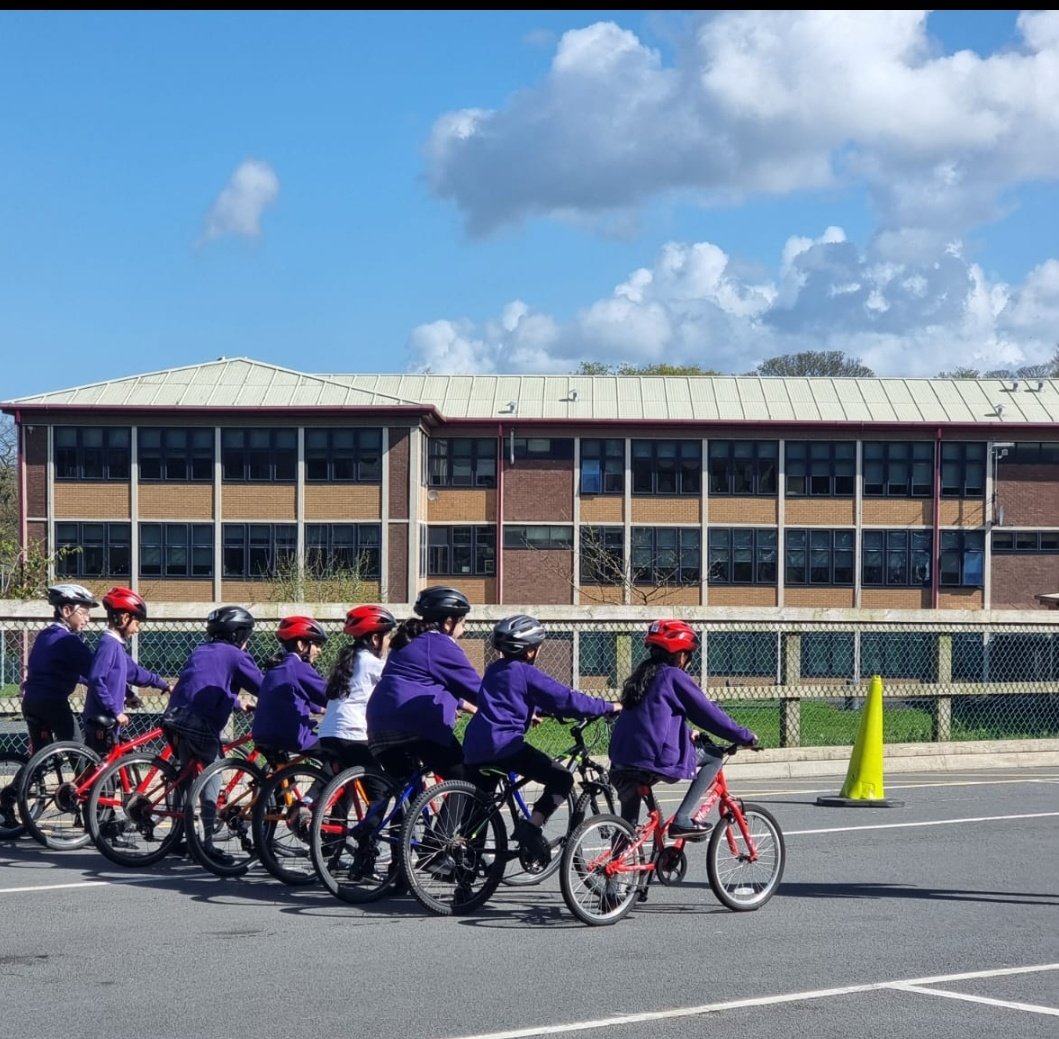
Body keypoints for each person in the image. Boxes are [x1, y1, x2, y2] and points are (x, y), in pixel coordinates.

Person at [462, 614, 621, 867]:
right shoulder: (526, 672)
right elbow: (566, 699)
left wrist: (533, 711)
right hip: (504, 746)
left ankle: (465, 872)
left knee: (481, 807)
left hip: (474, 746)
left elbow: (506, 699)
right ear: (529, 651)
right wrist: (607, 706)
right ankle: (531, 828)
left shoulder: (494, 670)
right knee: (562, 778)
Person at [608, 619, 757, 839]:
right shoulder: (673, 675)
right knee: (714, 757)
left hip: (621, 760)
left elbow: (652, 719)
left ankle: (613, 867)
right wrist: (744, 736)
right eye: (689, 655)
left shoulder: (642, 675)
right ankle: (683, 819)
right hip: (651, 759)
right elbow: (708, 714)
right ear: (680, 655)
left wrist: (687, 733)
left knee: (627, 828)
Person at [161, 606, 263, 865]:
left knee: (185, 779)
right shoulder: (236, 655)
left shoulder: (201, 650)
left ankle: (178, 838)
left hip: (174, 716)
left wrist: (239, 704)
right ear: (239, 635)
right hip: (199, 723)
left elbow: (208, 683)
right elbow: (264, 686)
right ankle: (206, 845)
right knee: (213, 778)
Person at [365, 586, 480, 785]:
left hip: (378, 725)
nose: (464, 628)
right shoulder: (439, 643)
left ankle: (400, 817)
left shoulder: (406, 642)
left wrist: (462, 704)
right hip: (415, 725)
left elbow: (415, 682)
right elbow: (476, 688)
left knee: (407, 792)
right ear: (448, 622)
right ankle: (448, 819)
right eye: (463, 621)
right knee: (465, 779)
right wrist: (518, 707)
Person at [83, 587, 173, 755]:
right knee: (102, 772)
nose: (137, 630)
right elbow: (96, 679)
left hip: (110, 722)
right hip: (102, 723)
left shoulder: (116, 646)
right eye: (136, 624)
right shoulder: (108, 645)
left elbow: (134, 673)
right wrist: (116, 710)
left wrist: (162, 685)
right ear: (124, 618)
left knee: (110, 768)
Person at [318, 605, 395, 798]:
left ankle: (325, 821)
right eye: (388, 637)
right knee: (381, 791)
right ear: (375, 639)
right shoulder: (372, 662)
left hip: (328, 732)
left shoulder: (350, 659)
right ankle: (367, 829)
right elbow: (397, 685)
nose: (389, 643)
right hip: (352, 734)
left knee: (347, 787)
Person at [21, 583, 99, 753]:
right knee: (78, 751)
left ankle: (25, 779)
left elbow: (58, 670)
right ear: (66, 611)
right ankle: (82, 778)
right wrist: (125, 691)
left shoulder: (45, 635)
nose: (88, 619)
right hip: (53, 703)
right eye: (84, 613)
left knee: (40, 759)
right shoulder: (68, 640)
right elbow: (96, 671)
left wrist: (86, 681)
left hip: (31, 701)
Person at [250, 615, 330, 763]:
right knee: (335, 753)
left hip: (263, 734)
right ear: (301, 644)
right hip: (290, 736)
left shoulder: (275, 668)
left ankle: (276, 786)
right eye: (317, 645)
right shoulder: (298, 667)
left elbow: (295, 694)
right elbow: (328, 694)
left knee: (283, 781)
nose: (319, 651)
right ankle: (325, 787)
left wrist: (319, 708)